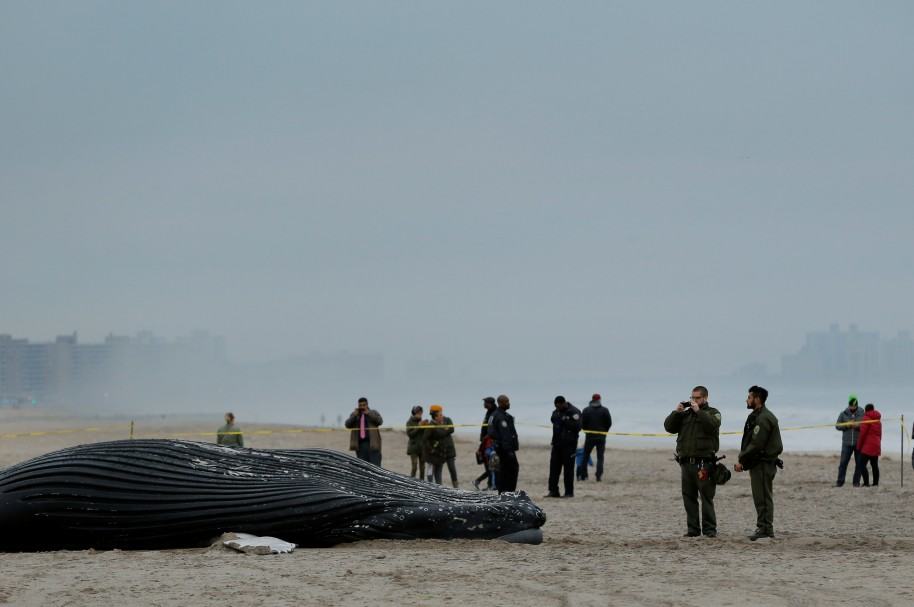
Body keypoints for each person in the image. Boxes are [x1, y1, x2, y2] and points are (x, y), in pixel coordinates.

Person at [663, 386, 721, 538]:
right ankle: (693, 530)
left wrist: (698, 411)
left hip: (704, 463)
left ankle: (709, 530)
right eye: (692, 398)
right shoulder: (686, 415)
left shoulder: (713, 413)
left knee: (706, 497)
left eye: (697, 398)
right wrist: (677, 412)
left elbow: (711, 426)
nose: (694, 401)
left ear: (705, 398)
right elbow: (669, 427)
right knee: (688, 497)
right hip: (686, 463)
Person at [734, 385, 783, 541]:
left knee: (762, 497)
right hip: (759, 463)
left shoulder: (763, 418)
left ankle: (765, 528)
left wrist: (742, 459)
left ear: (757, 399)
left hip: (763, 464)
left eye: (749, 397)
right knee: (761, 496)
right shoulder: (758, 416)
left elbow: (756, 444)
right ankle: (764, 527)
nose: (747, 400)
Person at [546, 396, 581, 498]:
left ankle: (569, 492)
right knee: (554, 469)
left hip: (569, 445)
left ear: (563, 403)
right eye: (556, 406)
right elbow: (553, 419)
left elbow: (578, 427)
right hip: (556, 444)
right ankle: (553, 491)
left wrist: (565, 420)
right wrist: (560, 418)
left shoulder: (574, 411)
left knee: (568, 470)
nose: (557, 408)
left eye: (559, 406)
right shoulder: (555, 412)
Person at [488, 394, 519, 493]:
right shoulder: (500, 417)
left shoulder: (493, 415)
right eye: (506, 402)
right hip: (504, 449)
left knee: (503, 470)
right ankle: (508, 491)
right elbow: (505, 435)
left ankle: (503, 491)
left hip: (498, 447)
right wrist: (509, 450)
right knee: (511, 470)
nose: (508, 404)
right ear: (500, 403)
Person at [835, 395, 868, 487]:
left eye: (854, 405)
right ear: (848, 405)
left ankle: (856, 482)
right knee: (843, 463)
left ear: (857, 405)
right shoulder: (843, 414)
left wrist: (858, 426)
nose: (852, 407)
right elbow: (837, 426)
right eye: (851, 405)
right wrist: (847, 425)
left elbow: (866, 427)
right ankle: (840, 482)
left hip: (859, 443)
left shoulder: (863, 414)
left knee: (859, 464)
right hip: (846, 443)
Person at [580, 393, 612, 482]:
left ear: (592, 399)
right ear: (599, 400)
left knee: (585, 456)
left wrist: (586, 430)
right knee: (600, 457)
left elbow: (582, 423)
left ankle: (583, 475)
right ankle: (598, 476)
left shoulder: (586, 410)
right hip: (601, 436)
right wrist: (604, 431)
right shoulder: (604, 410)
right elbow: (609, 423)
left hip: (590, 436)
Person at [425, 404, 458, 487]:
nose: (442, 415)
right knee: (433, 470)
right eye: (440, 413)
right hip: (437, 451)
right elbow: (430, 437)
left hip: (448, 449)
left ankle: (455, 487)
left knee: (452, 469)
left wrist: (443, 430)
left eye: (441, 413)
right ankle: (434, 486)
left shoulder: (447, 420)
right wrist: (444, 430)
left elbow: (451, 429)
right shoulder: (431, 424)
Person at [345, 397, 383, 466]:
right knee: (363, 467)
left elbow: (380, 421)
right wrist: (354, 415)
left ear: (367, 405)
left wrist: (369, 413)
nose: (362, 407)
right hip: (360, 446)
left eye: (364, 405)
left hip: (373, 445)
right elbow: (347, 425)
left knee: (375, 466)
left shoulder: (373, 412)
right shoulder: (355, 415)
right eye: (360, 405)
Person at [474, 397, 498, 490]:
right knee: (487, 464)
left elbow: (491, 429)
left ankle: (491, 484)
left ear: (490, 403)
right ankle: (489, 484)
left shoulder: (494, 413)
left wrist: (487, 438)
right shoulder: (488, 412)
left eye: (485, 403)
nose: (484, 404)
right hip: (485, 441)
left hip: (490, 442)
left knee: (490, 464)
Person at [857, 403, 882, 487]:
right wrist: (878, 443)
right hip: (876, 445)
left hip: (868, 446)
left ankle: (866, 483)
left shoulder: (866, 418)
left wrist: (859, 446)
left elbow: (862, 434)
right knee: (874, 465)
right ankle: (875, 483)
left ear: (866, 410)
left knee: (861, 464)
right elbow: (880, 434)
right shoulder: (878, 420)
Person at [406, 405, 425, 479]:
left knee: (422, 467)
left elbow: (425, 434)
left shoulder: (421, 421)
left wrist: (426, 425)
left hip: (422, 447)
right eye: (418, 413)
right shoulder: (409, 422)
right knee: (414, 466)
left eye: (421, 413)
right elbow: (410, 434)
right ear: (414, 413)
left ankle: (422, 483)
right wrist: (418, 427)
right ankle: (412, 482)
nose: (420, 414)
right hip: (413, 447)